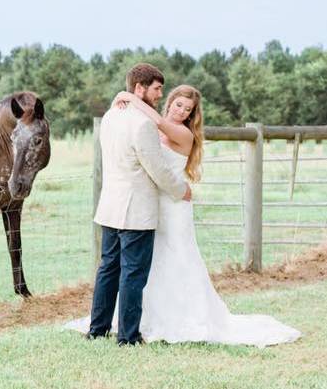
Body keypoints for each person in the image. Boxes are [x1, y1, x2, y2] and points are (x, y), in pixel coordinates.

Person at [66, 82, 301, 348]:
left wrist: (128, 96)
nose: (180, 112)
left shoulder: (180, 133)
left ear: (191, 115)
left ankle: (181, 317)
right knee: (146, 266)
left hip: (174, 203)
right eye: (178, 105)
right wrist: (124, 100)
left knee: (176, 258)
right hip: (148, 204)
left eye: (187, 110)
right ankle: (140, 319)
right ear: (170, 102)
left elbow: (155, 126)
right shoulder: (146, 125)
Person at [81, 63, 191, 346]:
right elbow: (157, 170)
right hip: (136, 210)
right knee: (133, 273)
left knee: (108, 268)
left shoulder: (110, 116)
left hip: (111, 205)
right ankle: (128, 336)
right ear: (139, 88)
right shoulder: (142, 125)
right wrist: (181, 190)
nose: (158, 95)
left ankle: (98, 328)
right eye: (156, 89)